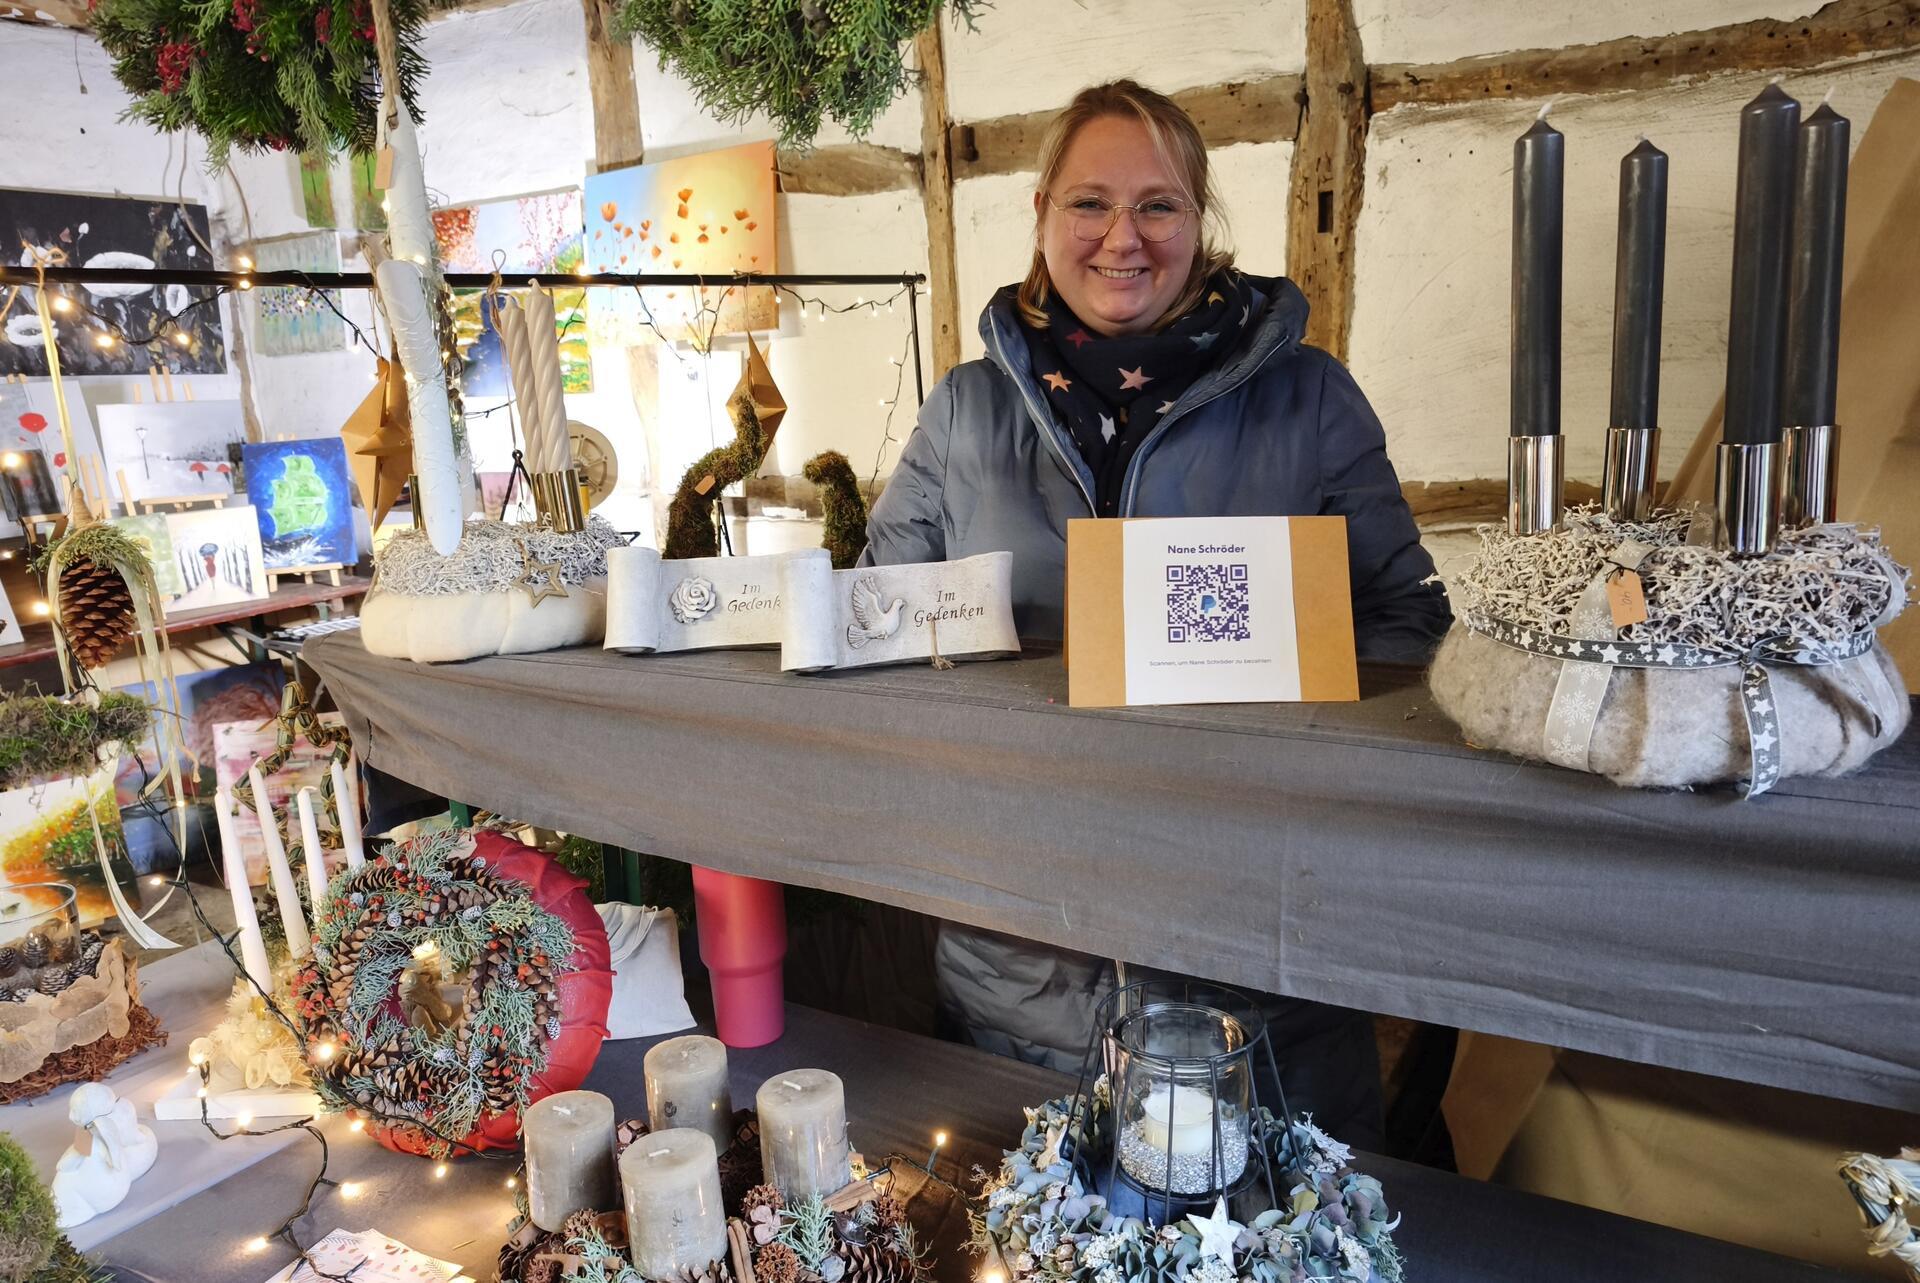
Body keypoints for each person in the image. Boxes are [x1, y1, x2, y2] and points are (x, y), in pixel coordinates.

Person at [859, 80, 1451, 1149]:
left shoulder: (1309, 397)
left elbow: (1410, 631)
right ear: (1042, 213)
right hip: (1025, 977)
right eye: (1089, 203)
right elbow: (882, 634)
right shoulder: (966, 410)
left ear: (1200, 219)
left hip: (1264, 981)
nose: (1122, 238)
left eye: (1159, 206)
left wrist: (1279, 698)